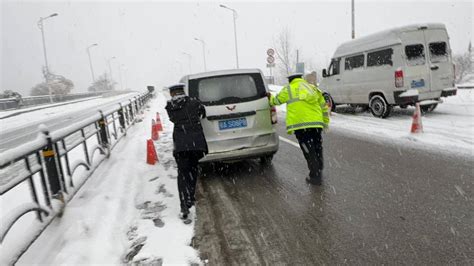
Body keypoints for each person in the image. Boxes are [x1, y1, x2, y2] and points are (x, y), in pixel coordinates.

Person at [267, 73, 330, 185]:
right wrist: (325, 123)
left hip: (301, 126)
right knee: (317, 147)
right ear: (301, 78)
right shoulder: (312, 88)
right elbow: (324, 106)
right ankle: (318, 170)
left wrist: (269, 96)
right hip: (316, 124)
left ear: (290, 80)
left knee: (308, 150)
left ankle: (315, 176)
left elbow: (276, 101)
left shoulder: (288, 89)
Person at [165, 83, 208, 222]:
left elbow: (173, 119)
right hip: (196, 143)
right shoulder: (194, 102)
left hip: (181, 144)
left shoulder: (170, 107)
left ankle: (184, 205)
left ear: (172, 94)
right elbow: (203, 113)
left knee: (182, 174)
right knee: (193, 170)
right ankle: (191, 196)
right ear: (183, 91)